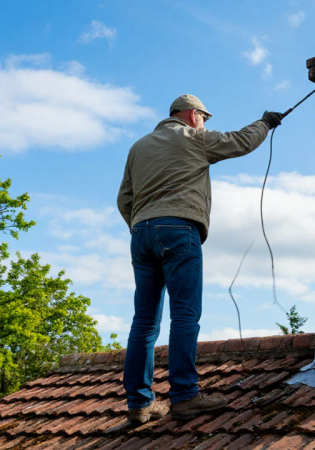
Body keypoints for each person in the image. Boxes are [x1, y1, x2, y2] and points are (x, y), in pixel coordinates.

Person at [117, 94, 283, 424]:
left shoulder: (138, 147)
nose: (206, 123)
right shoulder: (194, 138)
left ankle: (139, 404)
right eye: (205, 118)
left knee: (145, 321)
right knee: (184, 314)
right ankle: (184, 396)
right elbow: (240, 142)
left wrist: (143, 226)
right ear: (194, 115)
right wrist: (265, 122)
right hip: (178, 229)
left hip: (141, 234)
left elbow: (124, 199)